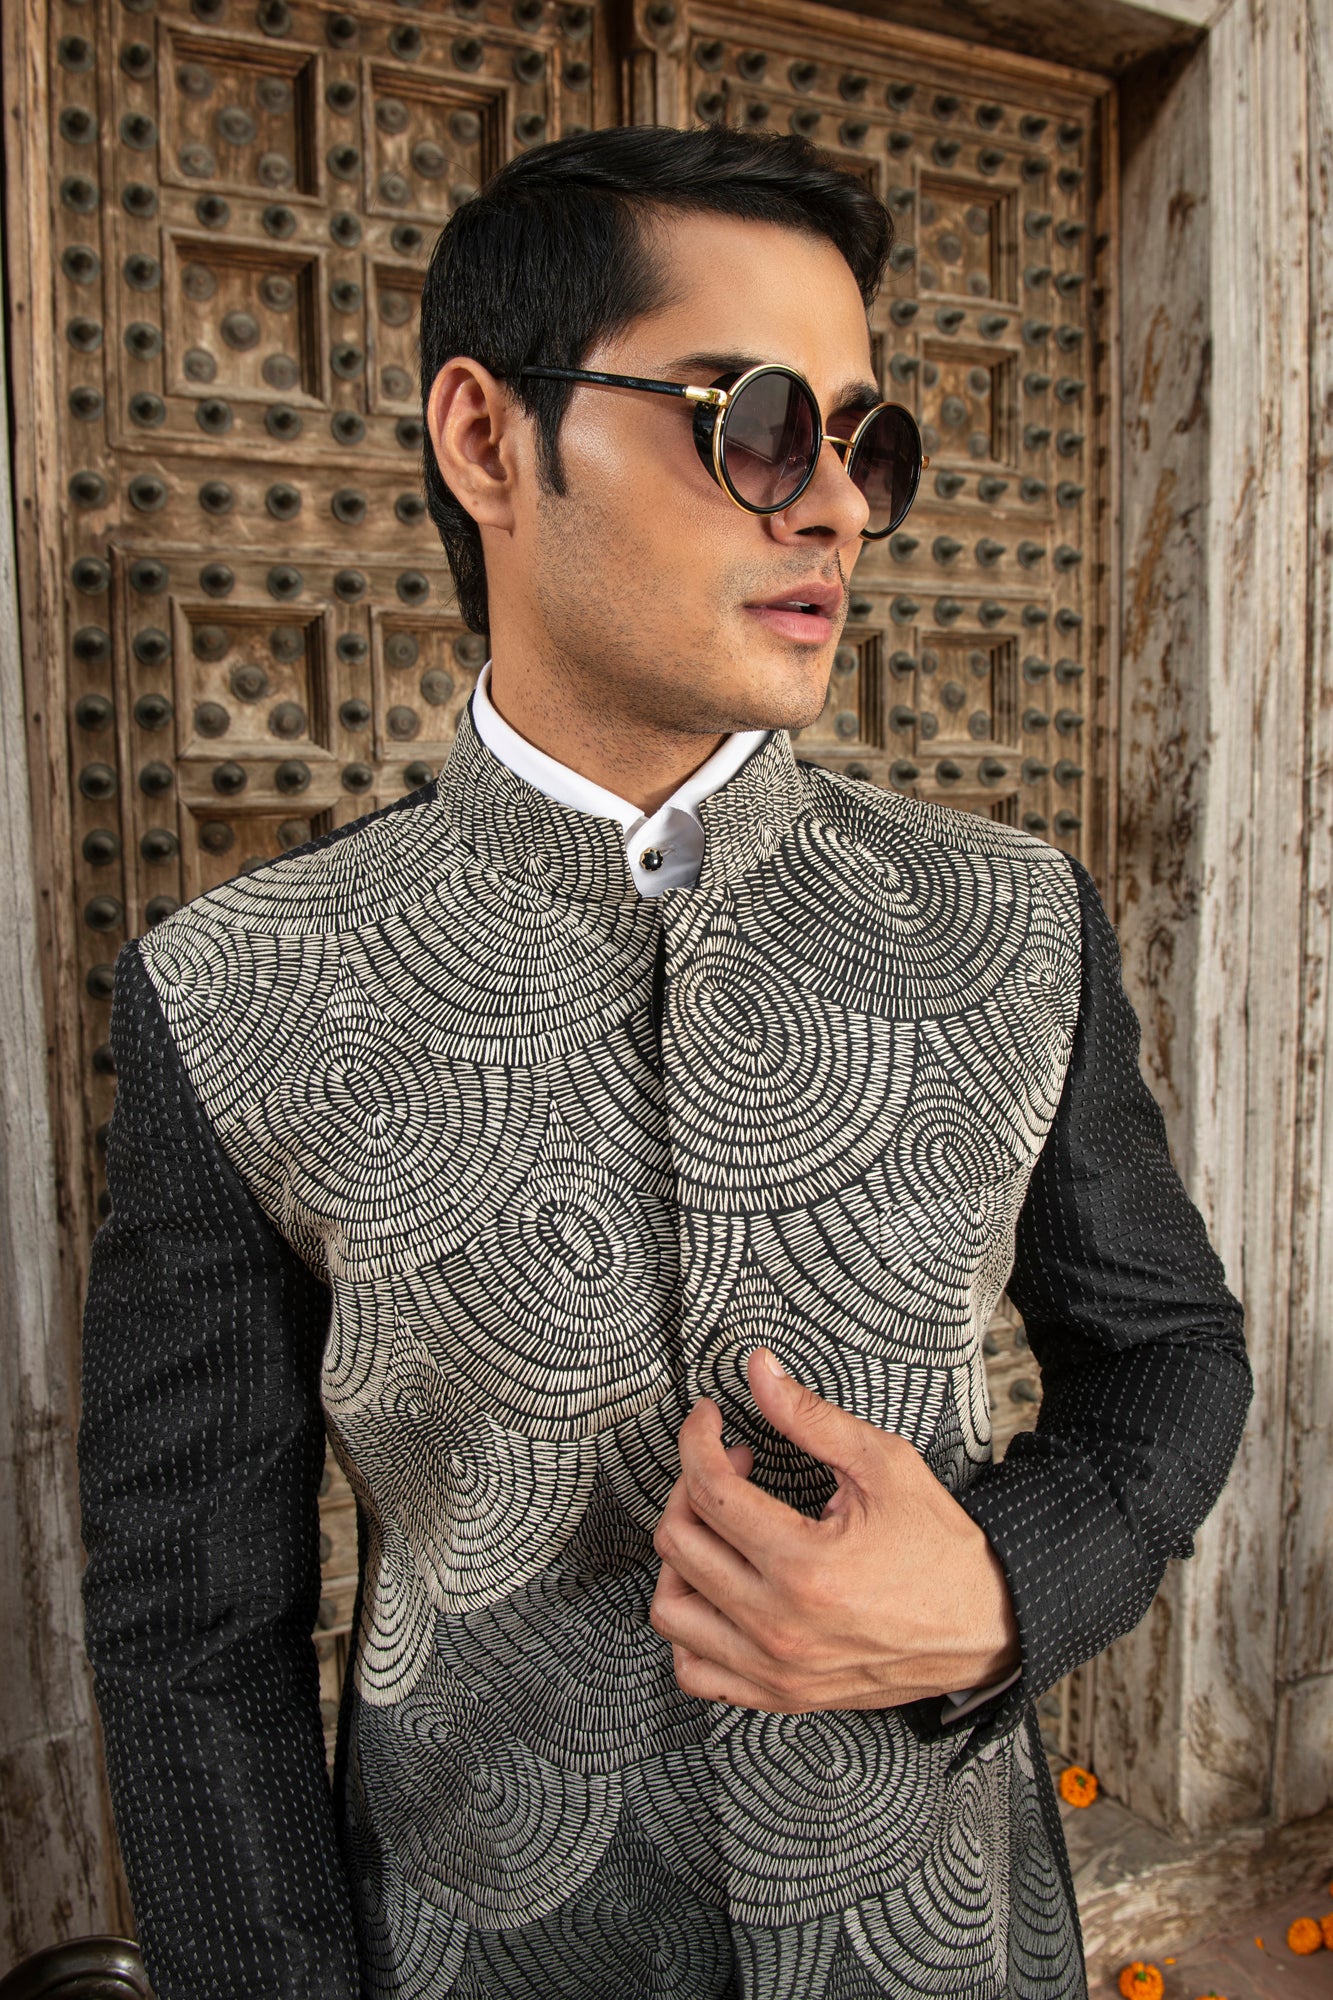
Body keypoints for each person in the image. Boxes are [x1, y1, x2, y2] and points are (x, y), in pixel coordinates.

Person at [78, 124, 1251, 2000]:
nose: (837, 509)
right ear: (487, 441)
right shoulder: (237, 993)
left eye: (865, 445)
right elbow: (191, 1636)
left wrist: (1007, 1585)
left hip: (947, 1948)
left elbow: (1169, 1353)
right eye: (757, 422)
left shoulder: (1010, 922)